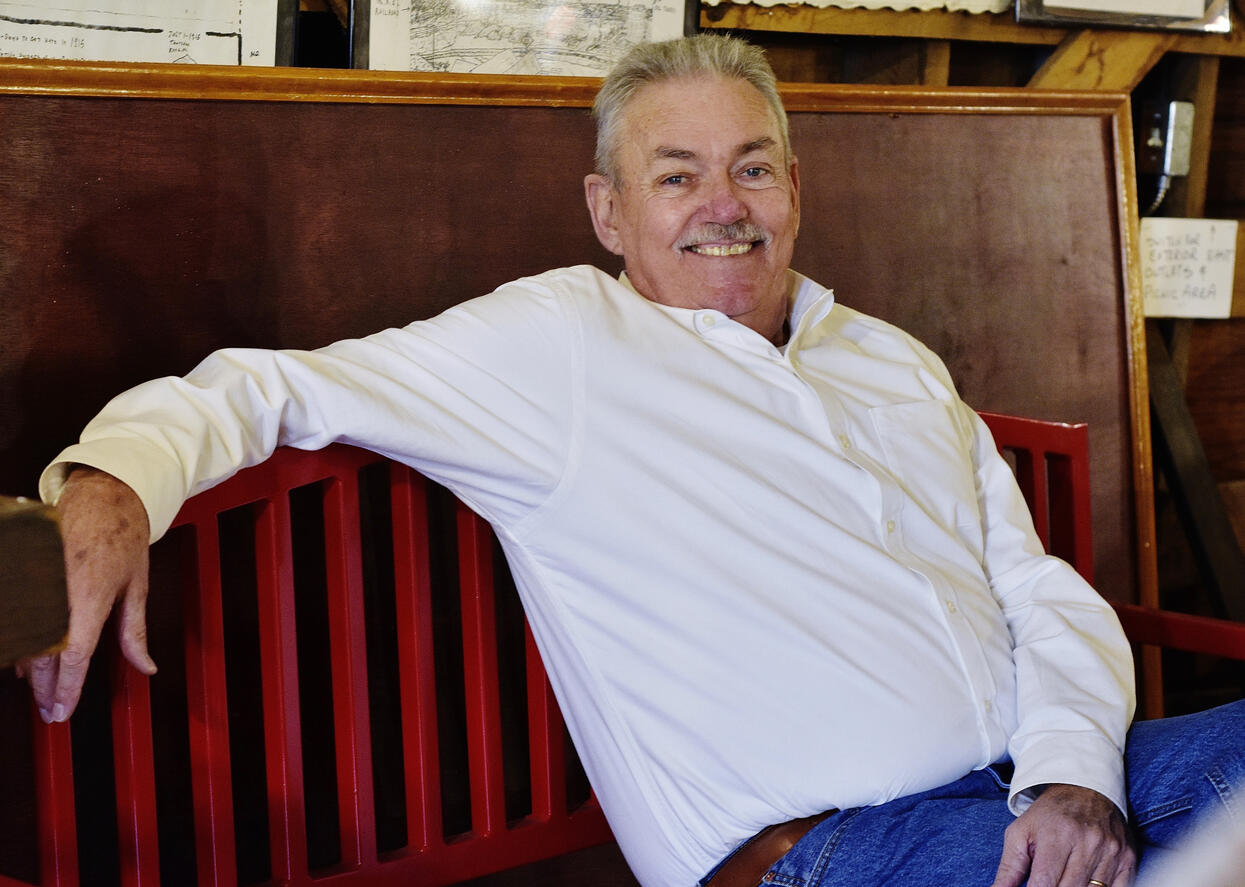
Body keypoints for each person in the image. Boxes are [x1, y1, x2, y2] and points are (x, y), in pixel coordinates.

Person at [18, 33, 1243, 887]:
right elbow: (272, 388)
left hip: (1043, 780)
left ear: (795, 187)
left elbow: (1035, 587)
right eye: (678, 175)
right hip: (834, 848)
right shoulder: (560, 345)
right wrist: (116, 476)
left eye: (753, 165)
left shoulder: (889, 357)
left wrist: (1076, 774)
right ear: (610, 213)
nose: (726, 203)